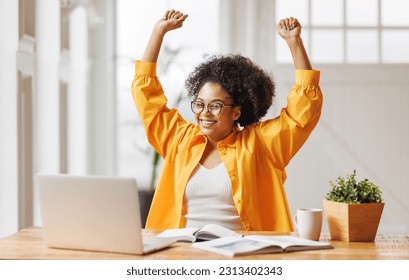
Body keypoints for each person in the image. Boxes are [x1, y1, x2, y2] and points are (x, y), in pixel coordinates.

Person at [131, 10, 323, 231]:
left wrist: (294, 43)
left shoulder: (261, 146)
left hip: (243, 255)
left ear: (236, 112)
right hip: (183, 252)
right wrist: (158, 33)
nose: (204, 113)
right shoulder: (179, 140)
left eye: (215, 106)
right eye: (200, 104)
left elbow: (303, 112)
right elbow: (146, 98)